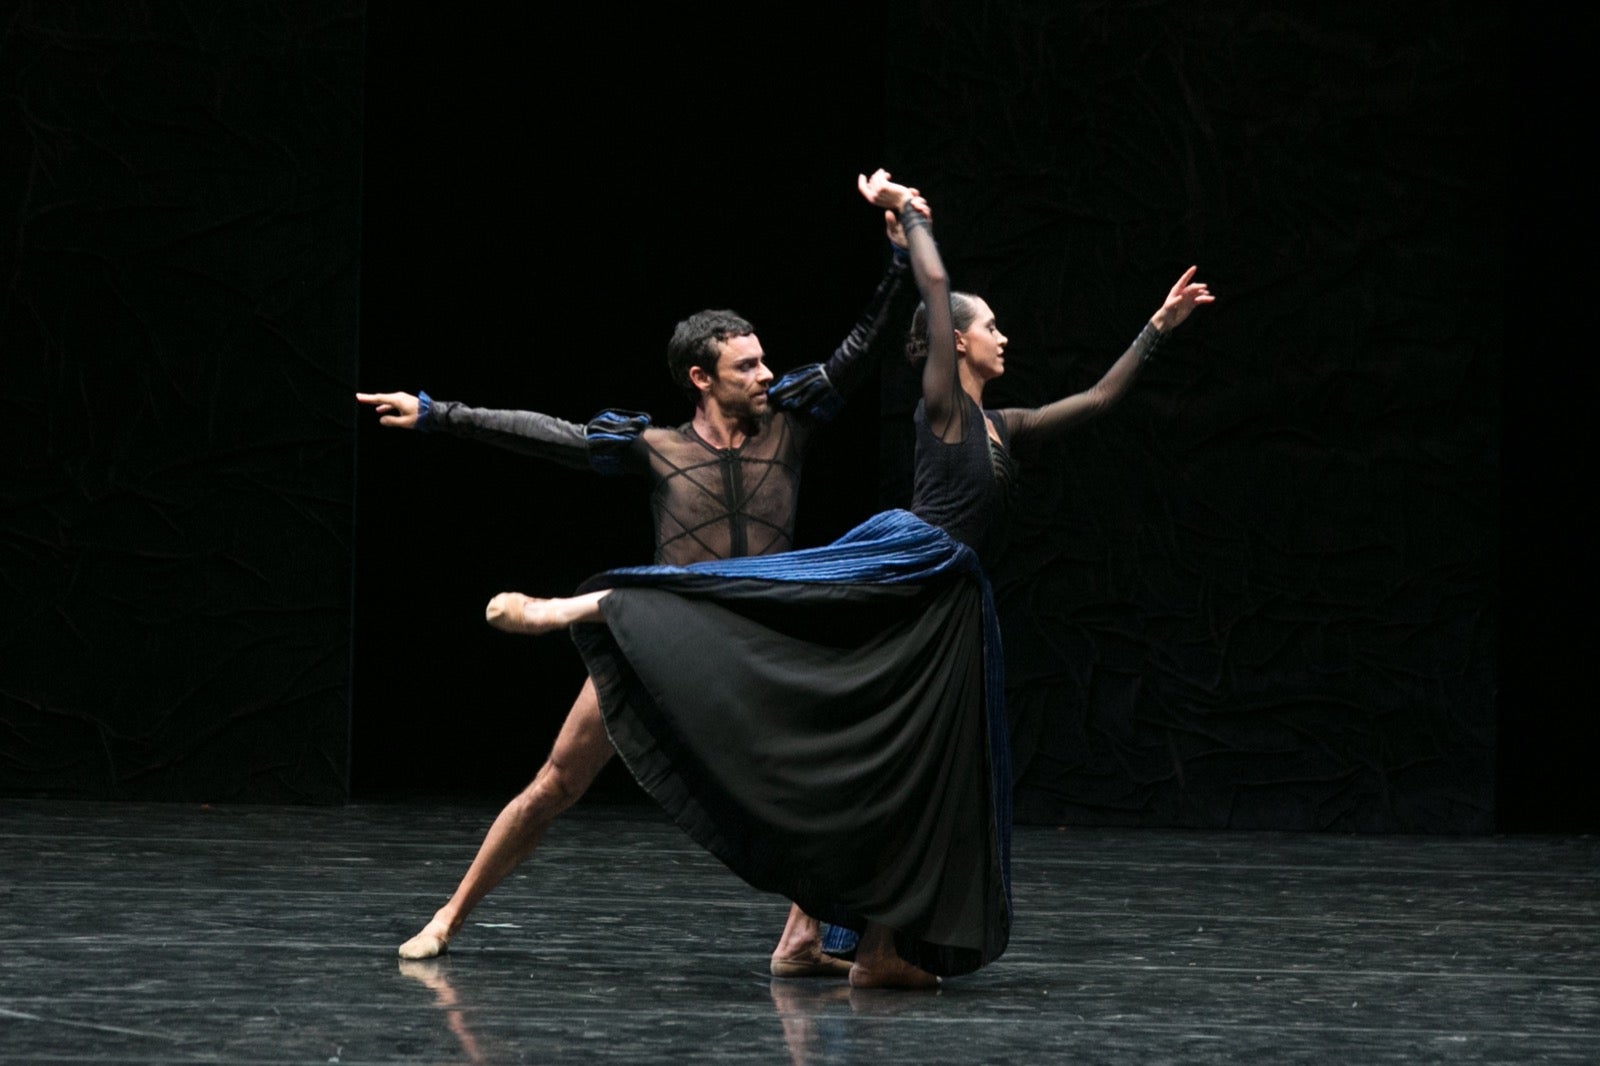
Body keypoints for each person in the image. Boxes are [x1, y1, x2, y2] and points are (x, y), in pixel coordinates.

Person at [487, 171, 1213, 989]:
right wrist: (909, 215)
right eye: (993, 326)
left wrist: (1158, 326)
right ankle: (585, 604)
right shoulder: (942, 402)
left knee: (916, 767)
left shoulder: (1004, 425)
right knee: (769, 589)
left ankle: (873, 948)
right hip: (908, 557)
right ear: (959, 342)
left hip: (945, 601)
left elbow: (1099, 399)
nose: (1003, 336)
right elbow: (933, 284)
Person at [355, 197, 921, 974]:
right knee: (556, 781)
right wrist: (436, 414)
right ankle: (449, 917)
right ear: (701, 377)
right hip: (664, 633)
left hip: (759, 636)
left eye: (763, 360)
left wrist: (899, 257)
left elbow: (861, 349)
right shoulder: (654, 448)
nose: (766, 374)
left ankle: (800, 937)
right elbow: (544, 434)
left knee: (835, 783)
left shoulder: (791, 426)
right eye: (746, 366)